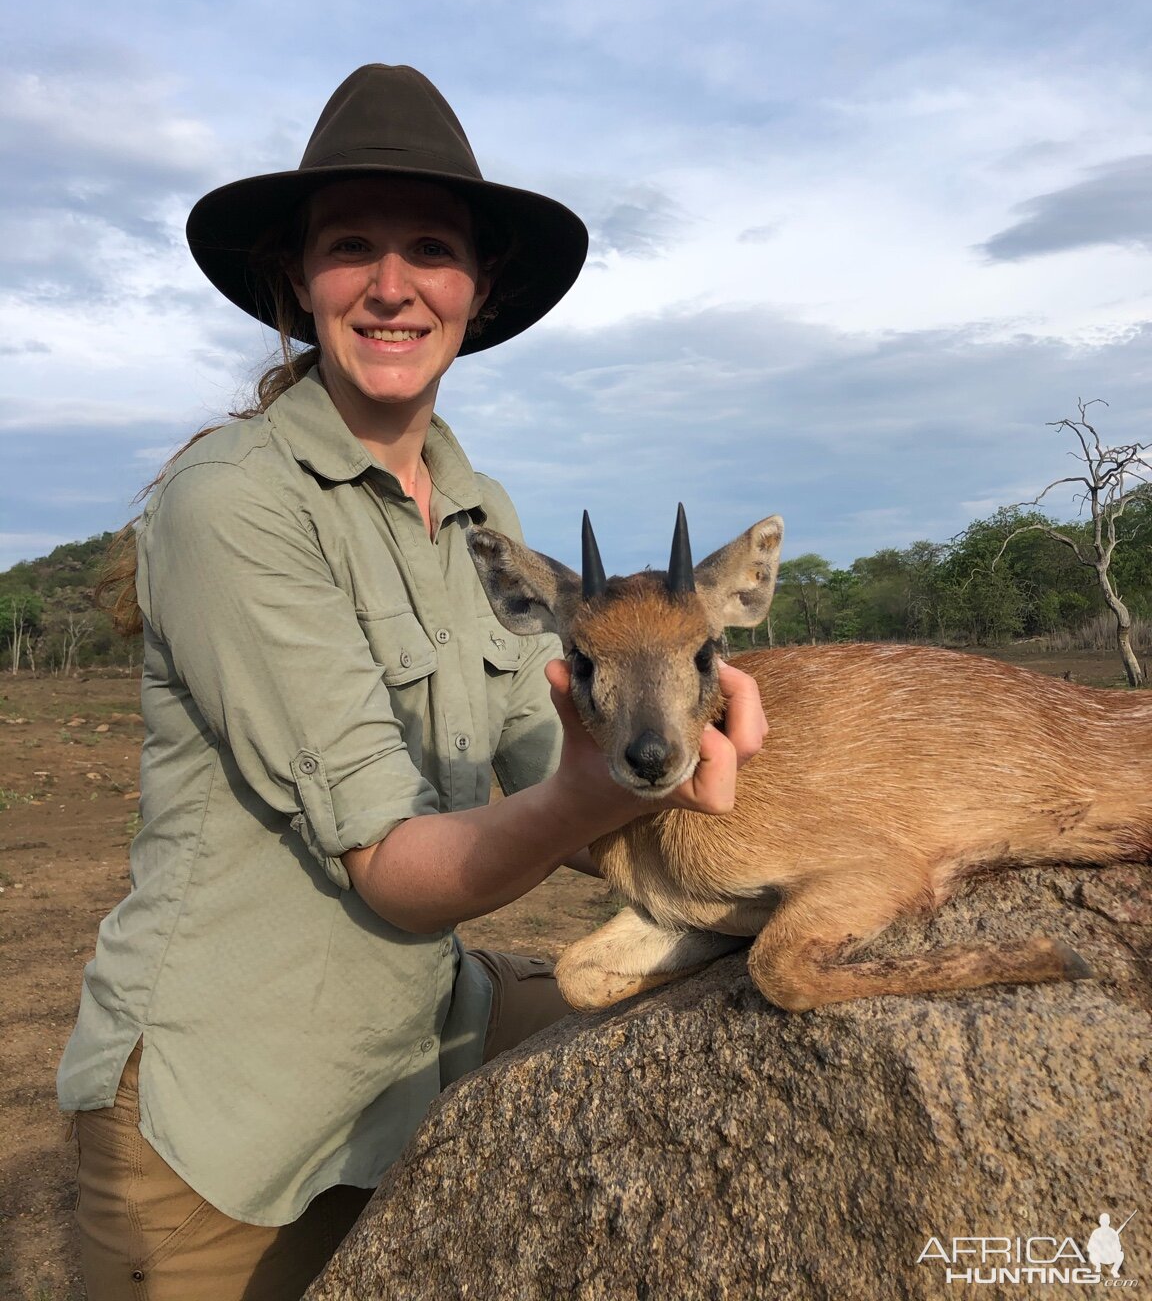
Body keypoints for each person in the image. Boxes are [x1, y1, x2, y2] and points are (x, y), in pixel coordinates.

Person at [58, 64, 766, 1301]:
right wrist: (624, 779)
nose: (392, 285)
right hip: (226, 1128)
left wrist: (676, 706)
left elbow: (542, 758)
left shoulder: (483, 513)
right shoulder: (234, 505)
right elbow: (397, 869)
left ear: (476, 289)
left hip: (415, 1045)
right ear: (299, 279)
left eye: (429, 248)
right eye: (352, 248)